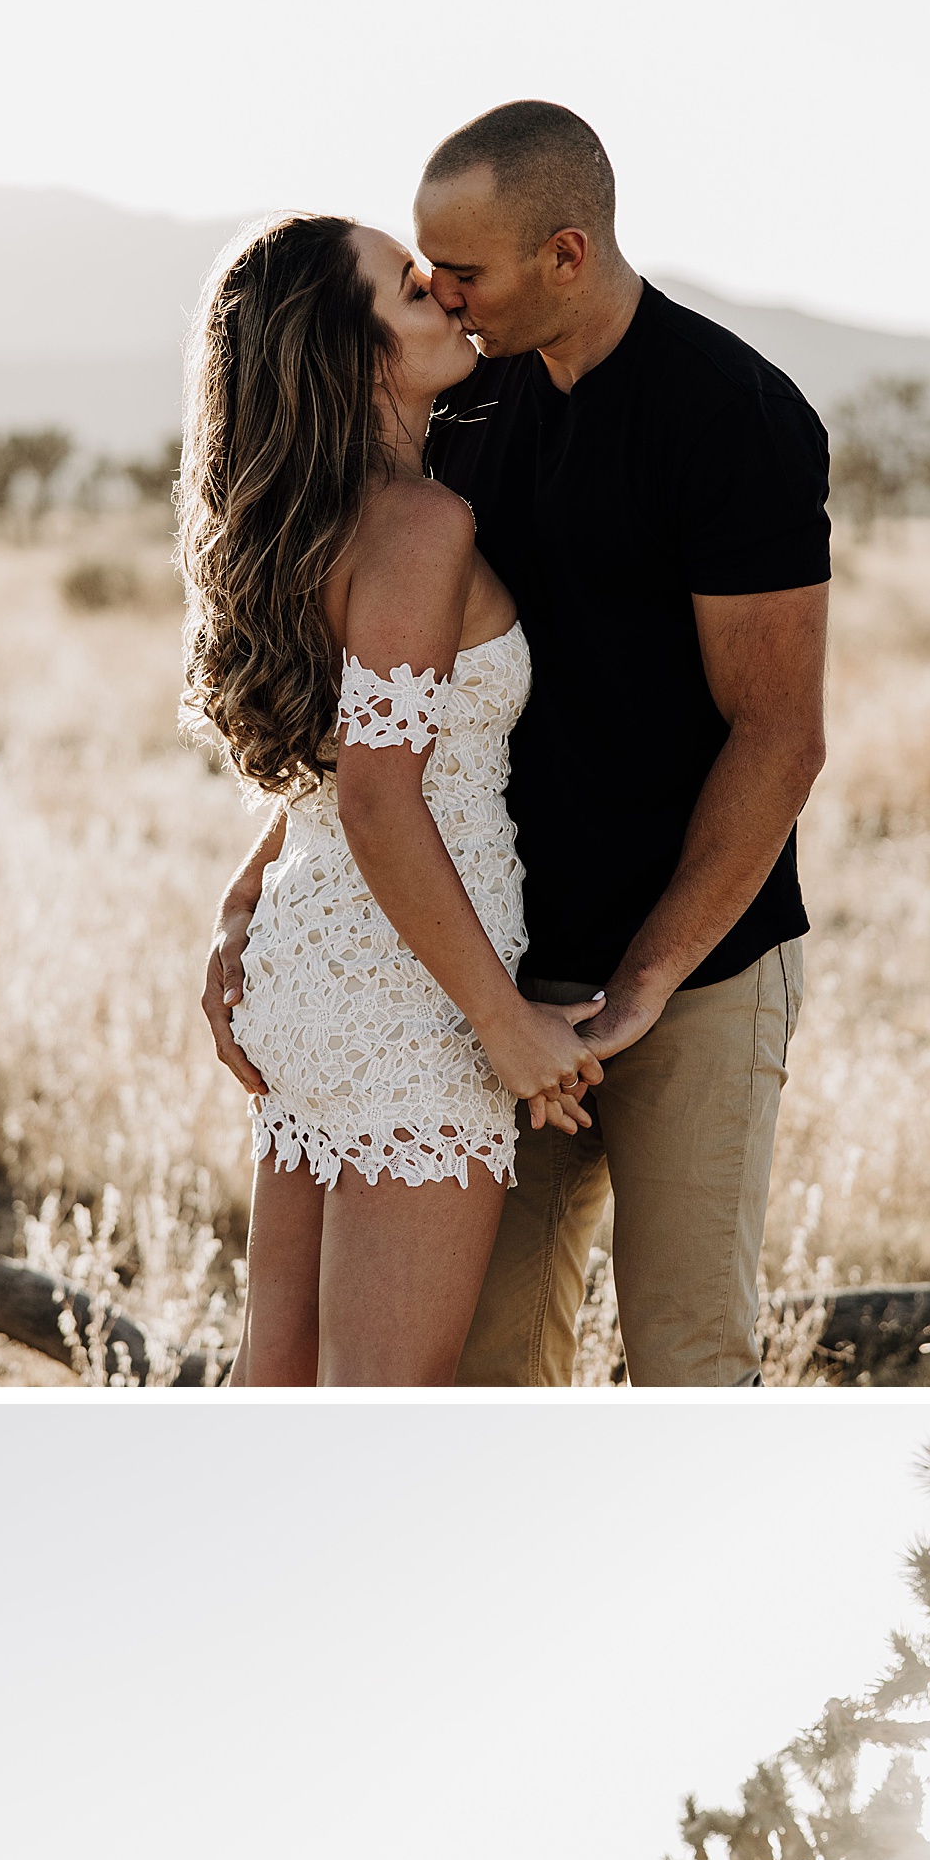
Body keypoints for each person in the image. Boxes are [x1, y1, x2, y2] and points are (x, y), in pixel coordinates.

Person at [212, 101, 832, 1386]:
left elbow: (780, 737)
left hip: (692, 967)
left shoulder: (733, 419)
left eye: (464, 270)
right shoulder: (460, 403)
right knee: (483, 1375)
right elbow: (389, 725)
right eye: (420, 272)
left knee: (686, 1360)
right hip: (472, 978)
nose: (439, 291)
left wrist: (648, 980)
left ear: (566, 254)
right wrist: (253, 892)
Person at [180, 212, 607, 1385]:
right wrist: (503, 1025)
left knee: (286, 1385)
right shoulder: (421, 526)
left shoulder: (308, 522)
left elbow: (331, 778)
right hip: (414, 1001)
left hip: (314, 966)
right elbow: (377, 800)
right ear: (355, 354)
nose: (450, 297)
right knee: (380, 1409)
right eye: (415, 292)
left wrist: (237, 908)